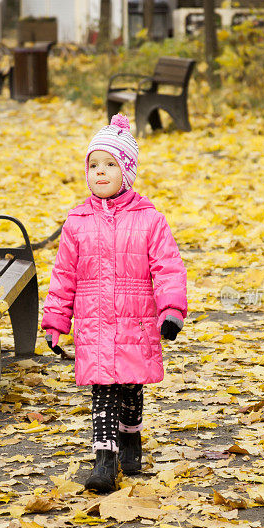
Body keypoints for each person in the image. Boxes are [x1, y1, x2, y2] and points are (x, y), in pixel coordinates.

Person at [42, 114, 187, 493]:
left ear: (127, 171)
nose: (100, 172)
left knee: (130, 386)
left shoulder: (150, 220)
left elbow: (168, 268)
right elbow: (63, 276)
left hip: (136, 321)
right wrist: (55, 321)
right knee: (102, 386)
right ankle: (104, 460)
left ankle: (131, 438)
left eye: (110, 164)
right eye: (93, 165)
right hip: (95, 323)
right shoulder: (76, 223)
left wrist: (171, 311)